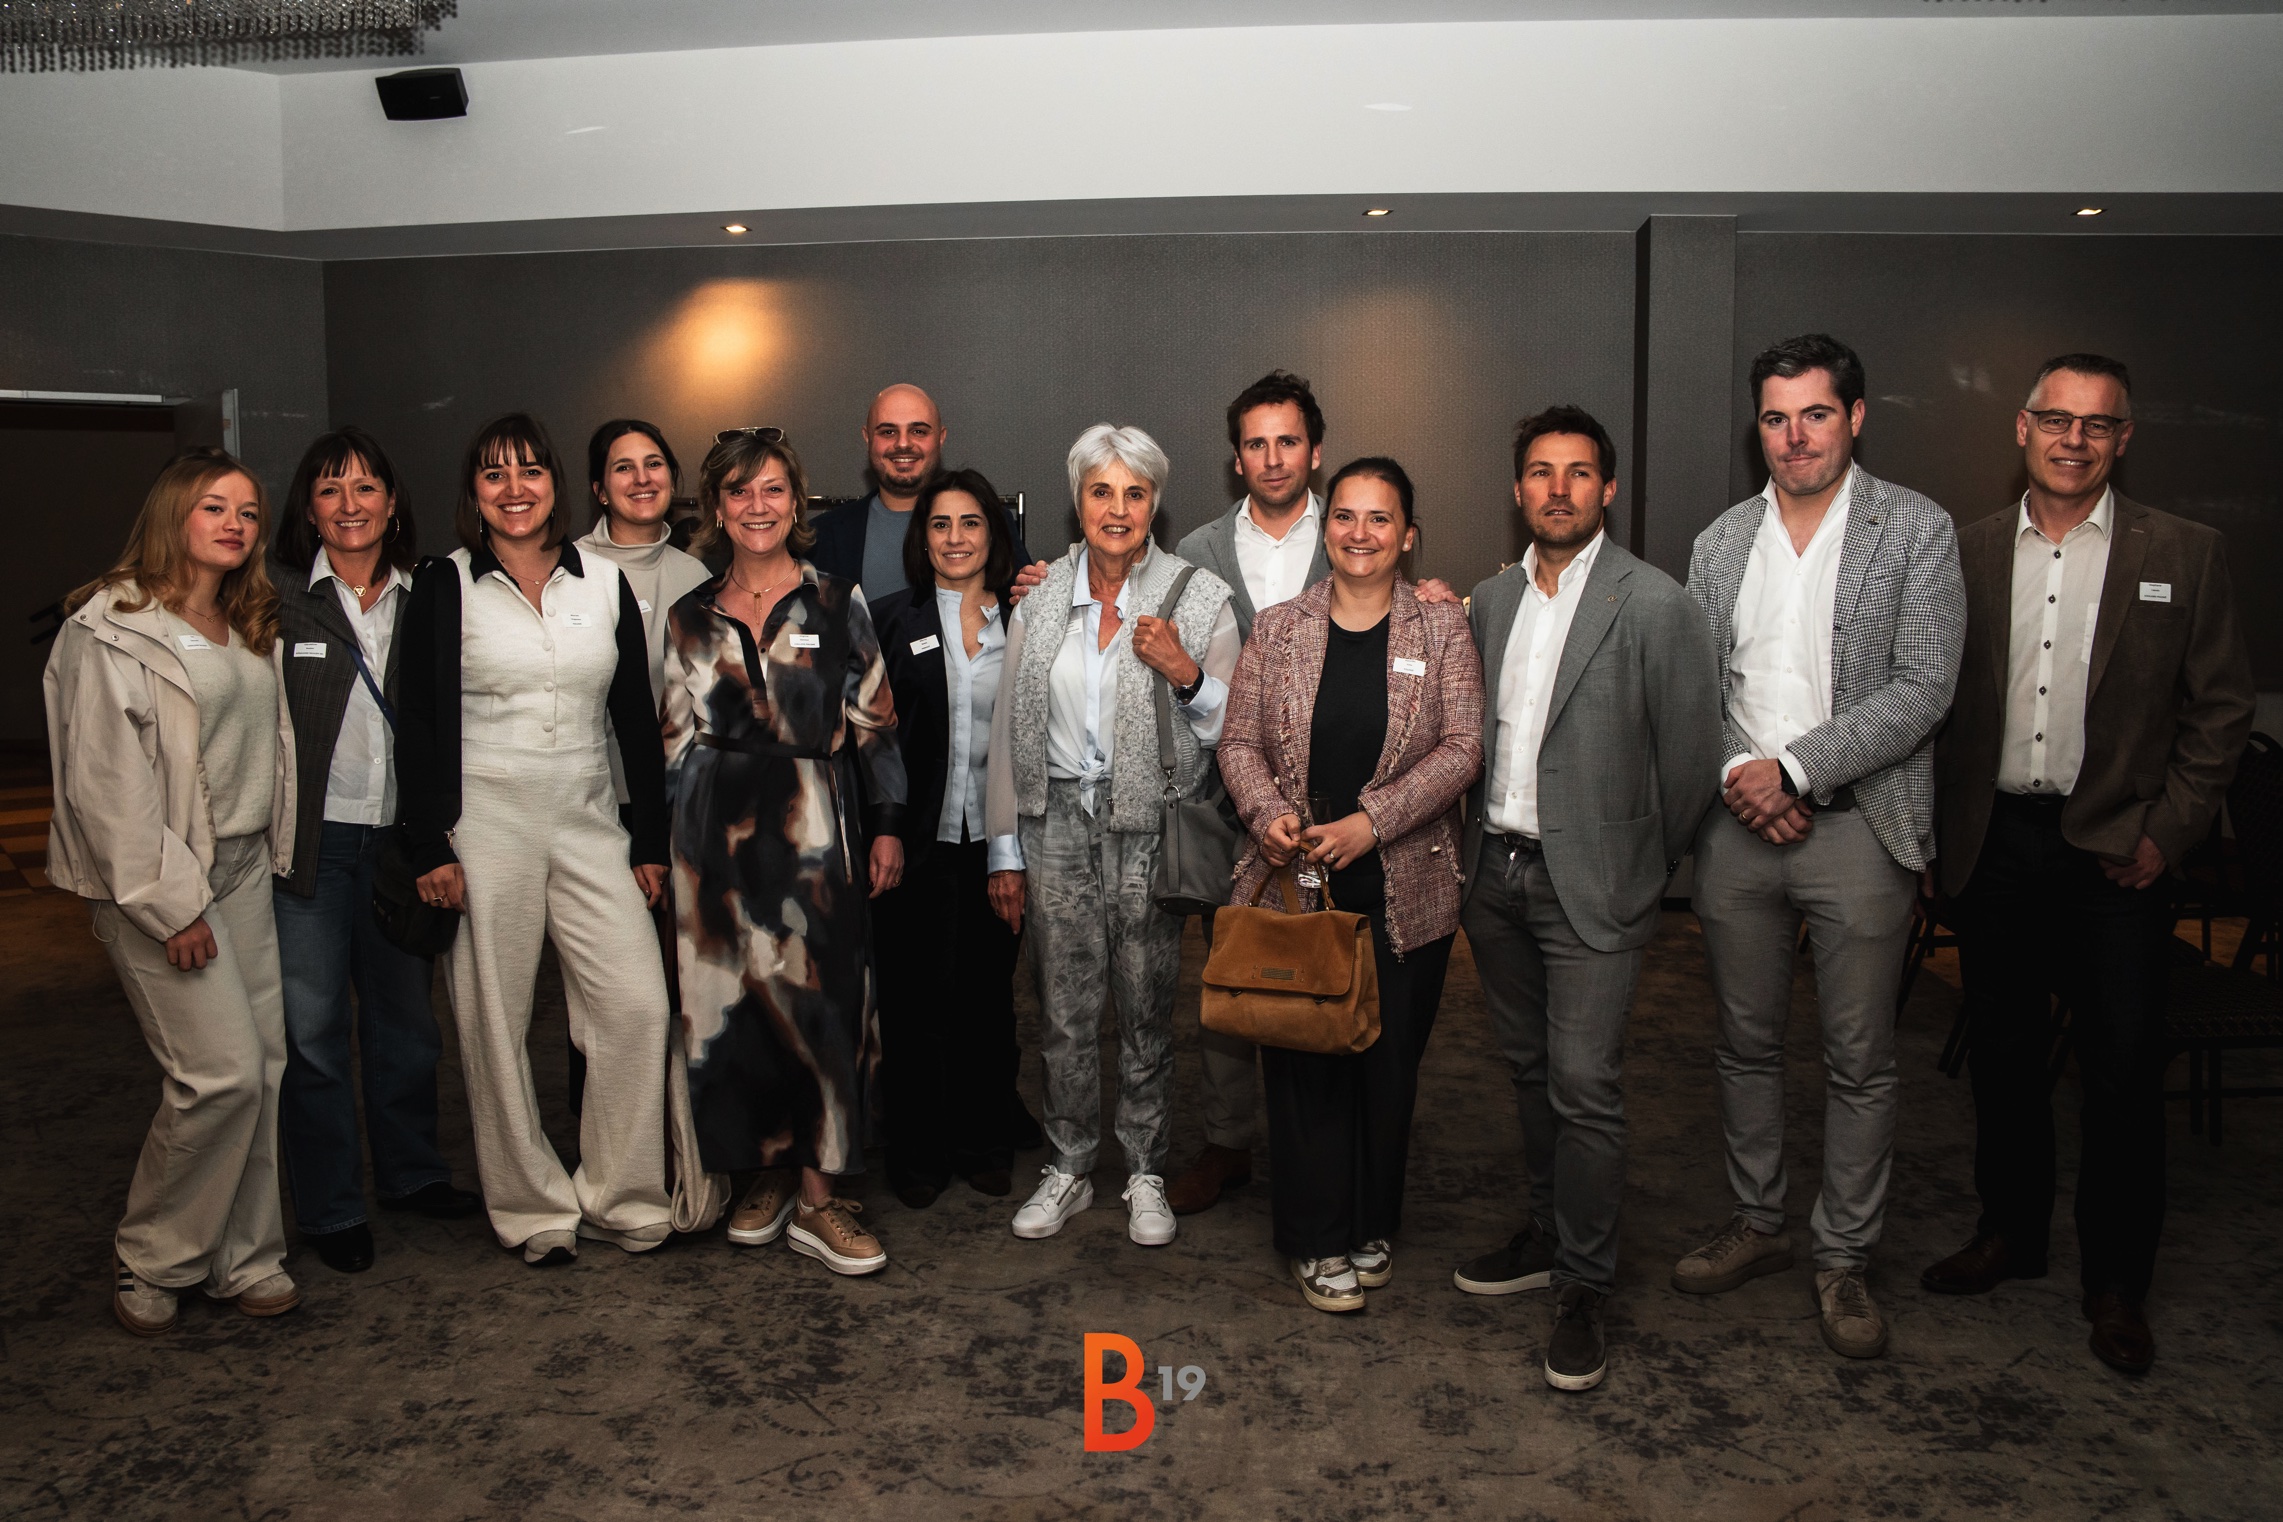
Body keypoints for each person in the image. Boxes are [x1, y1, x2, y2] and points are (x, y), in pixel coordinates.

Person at [1922, 354, 2252, 1375]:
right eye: (2056, 419)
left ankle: (2116, 1283)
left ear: (2123, 439)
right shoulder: (1966, 551)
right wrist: (1931, 836)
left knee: (2121, 1076)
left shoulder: (2185, 552)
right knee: (2006, 1061)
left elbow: (2220, 710)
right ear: (2021, 428)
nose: (2075, 439)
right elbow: (1933, 702)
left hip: (2118, 858)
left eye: (2097, 424)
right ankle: (2010, 1235)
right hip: (1995, 846)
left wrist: (2169, 831)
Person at [1678, 334, 1965, 1361]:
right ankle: (1759, 1220)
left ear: (1855, 417)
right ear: (1755, 427)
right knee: (1744, 1043)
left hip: (1859, 829)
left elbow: (1923, 687)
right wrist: (1740, 776)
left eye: (1814, 414)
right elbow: (1696, 688)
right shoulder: (1720, 542)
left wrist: (1794, 770)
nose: (1793, 436)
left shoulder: (1915, 529)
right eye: (1775, 417)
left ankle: (1842, 1255)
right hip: (1737, 833)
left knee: (1859, 1060)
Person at [1448, 407, 1722, 1391]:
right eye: (1539, 471)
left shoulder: (1655, 603)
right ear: (1517, 489)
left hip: (1595, 888)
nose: (1556, 488)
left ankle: (1584, 1282)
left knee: (1584, 1085)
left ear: (1607, 488)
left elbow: (1690, 762)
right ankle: (1546, 1231)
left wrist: (1640, 870)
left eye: (1576, 472)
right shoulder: (1489, 600)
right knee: (1528, 1072)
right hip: (1495, 877)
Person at [1163, 371, 1461, 1216]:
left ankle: (1351, 1190)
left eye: (1287, 441)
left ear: (1314, 452)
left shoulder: (1366, 541)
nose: (1271, 458)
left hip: (1366, 834)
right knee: (1247, 988)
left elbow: (1452, 730)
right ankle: (1231, 1145)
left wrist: (1429, 596)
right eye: (1254, 444)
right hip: (1238, 812)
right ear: (1235, 458)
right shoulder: (1197, 554)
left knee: (1355, 1022)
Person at [395, 413, 676, 1267]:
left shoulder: (603, 582)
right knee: (495, 1021)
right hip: (486, 820)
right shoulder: (444, 583)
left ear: (556, 483)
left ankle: (622, 1193)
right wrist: (428, 845)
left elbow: (635, 721)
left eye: (529, 471)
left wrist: (649, 840)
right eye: (494, 474)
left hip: (589, 818)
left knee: (637, 1005)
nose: (514, 489)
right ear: (473, 493)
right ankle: (530, 1207)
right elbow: (418, 720)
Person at [1217, 456, 1483, 1315]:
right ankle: (1314, 1236)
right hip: (1295, 884)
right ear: (1324, 529)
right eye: (1344, 516)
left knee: (1386, 1067)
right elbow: (1238, 744)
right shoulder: (1277, 628)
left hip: (1406, 885)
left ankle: (1369, 1220)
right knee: (1303, 1068)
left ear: (1407, 536)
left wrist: (1373, 821)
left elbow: (1462, 747)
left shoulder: (1440, 628)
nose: (1358, 533)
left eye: (1379, 519)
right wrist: (1267, 816)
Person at [45, 447, 301, 1334]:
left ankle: (246, 1254)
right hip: (158, 882)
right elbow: (104, 786)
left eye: (248, 512)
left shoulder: (245, 619)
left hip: (242, 868)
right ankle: (153, 1256)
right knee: (218, 1074)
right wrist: (169, 904)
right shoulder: (112, 626)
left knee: (263, 1069)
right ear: (172, 515)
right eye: (213, 507)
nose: (235, 524)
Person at [983, 424, 1237, 1248]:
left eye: (1134, 493)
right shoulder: (1040, 596)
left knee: (1144, 1008)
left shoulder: (1199, 599)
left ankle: (1144, 1170)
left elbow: (1233, 728)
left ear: (1154, 504)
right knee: (1062, 1009)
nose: (1117, 509)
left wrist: (1185, 673)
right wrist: (1004, 847)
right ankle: (1067, 1165)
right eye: (1101, 492)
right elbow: (1008, 727)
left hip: (1147, 825)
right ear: (1078, 502)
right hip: (1054, 819)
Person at [662, 427, 908, 1277]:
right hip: (713, 840)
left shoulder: (836, 602)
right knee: (732, 1006)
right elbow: (671, 742)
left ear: (795, 501)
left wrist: (887, 825)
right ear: (715, 506)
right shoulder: (688, 616)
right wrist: (666, 857)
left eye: (772, 489)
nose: (757, 506)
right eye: (738, 491)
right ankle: (763, 1172)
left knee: (821, 1008)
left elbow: (877, 723)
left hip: (812, 836)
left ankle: (818, 1197)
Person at [271, 428, 479, 1276]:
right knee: (313, 1034)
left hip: (401, 845)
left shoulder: (431, 595)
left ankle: (411, 1175)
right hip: (312, 849)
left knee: (406, 1026)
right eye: (330, 489)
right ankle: (329, 1208)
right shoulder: (277, 600)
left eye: (365, 488)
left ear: (393, 504)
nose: (349, 505)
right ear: (309, 510)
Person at [870, 468, 1028, 1206]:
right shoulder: (886, 621)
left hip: (998, 845)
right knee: (914, 1004)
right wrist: (884, 829)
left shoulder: (1025, 622)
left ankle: (983, 1141)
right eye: (940, 524)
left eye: (970, 523)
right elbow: (871, 742)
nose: (955, 538)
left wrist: (1012, 852)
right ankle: (918, 1152)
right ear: (922, 537)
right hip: (913, 843)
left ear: (994, 533)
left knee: (987, 1000)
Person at [564, 419, 713, 1118]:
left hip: (680, 806)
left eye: (654, 464)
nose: (641, 478)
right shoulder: (566, 570)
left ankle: (677, 1141)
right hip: (594, 804)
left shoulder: (698, 576)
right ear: (598, 488)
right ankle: (603, 1138)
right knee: (599, 988)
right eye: (622, 467)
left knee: (679, 984)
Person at [807, 383, 1033, 599]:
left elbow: (1020, 606)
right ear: (867, 438)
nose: (903, 444)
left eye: (918, 431)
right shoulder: (823, 537)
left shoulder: (992, 521)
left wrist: (1036, 586)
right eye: (888, 432)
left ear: (941, 438)